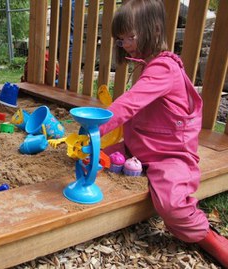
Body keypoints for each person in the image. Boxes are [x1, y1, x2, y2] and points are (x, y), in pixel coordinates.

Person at [99, 0, 228, 267]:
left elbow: (130, 103)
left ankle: (210, 239)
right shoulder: (148, 65)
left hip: (170, 155)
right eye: (120, 39)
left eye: (130, 37)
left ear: (155, 29)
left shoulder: (164, 68)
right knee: (93, 155)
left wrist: (97, 126)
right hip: (138, 147)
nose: (126, 44)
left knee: (172, 206)